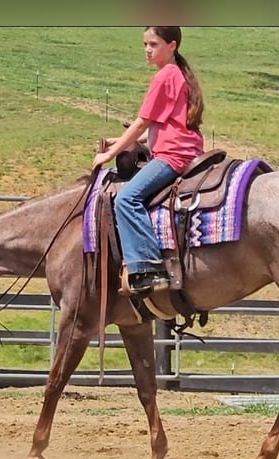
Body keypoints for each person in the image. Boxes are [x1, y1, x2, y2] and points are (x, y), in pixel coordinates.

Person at [92, 26, 205, 296]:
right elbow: (156, 124)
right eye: (145, 44)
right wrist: (118, 140)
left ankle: (147, 267)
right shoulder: (177, 74)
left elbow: (143, 122)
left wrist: (109, 154)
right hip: (183, 150)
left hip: (172, 155)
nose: (147, 49)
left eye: (153, 44)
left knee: (127, 199)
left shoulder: (165, 77)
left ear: (172, 45)